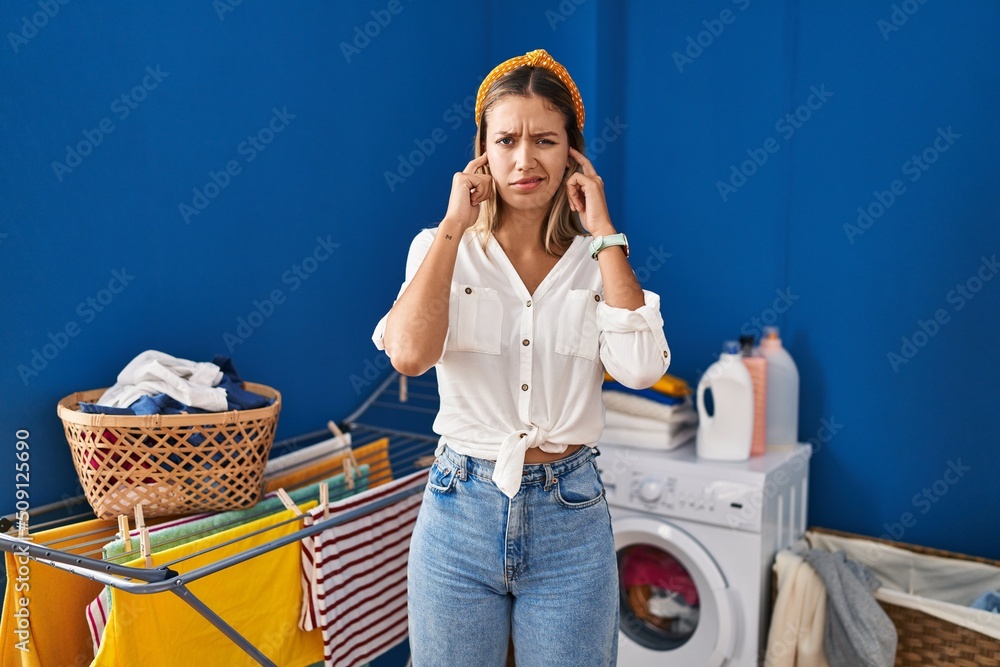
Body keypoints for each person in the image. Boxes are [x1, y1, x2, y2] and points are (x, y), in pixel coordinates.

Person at [372, 49, 670, 667]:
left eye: (546, 140)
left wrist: (605, 232)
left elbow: (642, 369)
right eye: (506, 139)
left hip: (572, 514)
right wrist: (456, 224)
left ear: (573, 154)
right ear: (482, 149)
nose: (525, 159)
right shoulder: (441, 248)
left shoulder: (598, 260)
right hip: (459, 510)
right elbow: (407, 354)